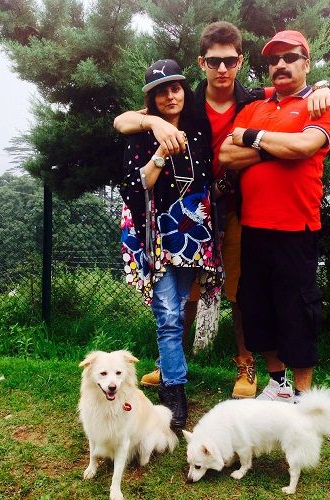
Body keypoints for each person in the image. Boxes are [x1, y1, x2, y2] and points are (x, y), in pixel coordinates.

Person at [114, 22, 330, 399]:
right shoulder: (187, 98)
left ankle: (246, 366)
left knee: (238, 290)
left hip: (236, 207)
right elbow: (123, 121)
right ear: (201, 62)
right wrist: (150, 119)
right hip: (187, 209)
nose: (222, 69)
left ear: (240, 61)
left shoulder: (252, 100)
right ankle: (171, 362)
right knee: (184, 290)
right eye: (214, 61)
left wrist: (324, 88)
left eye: (229, 61)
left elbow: (295, 96)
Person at [219, 30, 330, 402]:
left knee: (298, 312)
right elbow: (226, 155)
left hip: (296, 228)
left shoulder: (322, 104)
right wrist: (282, 148)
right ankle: (278, 385)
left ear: (306, 63)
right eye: (274, 60)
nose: (280, 65)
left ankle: (303, 396)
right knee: (260, 307)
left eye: (290, 58)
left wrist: (253, 139)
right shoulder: (256, 104)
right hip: (254, 226)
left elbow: (307, 145)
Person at [118, 59, 222, 429]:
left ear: (184, 90)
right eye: (161, 91)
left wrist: (320, 85)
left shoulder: (197, 128)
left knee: (178, 306)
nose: (170, 95)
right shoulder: (140, 134)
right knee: (168, 313)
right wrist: (159, 146)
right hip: (154, 231)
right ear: (151, 98)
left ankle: (166, 371)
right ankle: (175, 391)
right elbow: (136, 185)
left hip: (190, 231)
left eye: (175, 87)